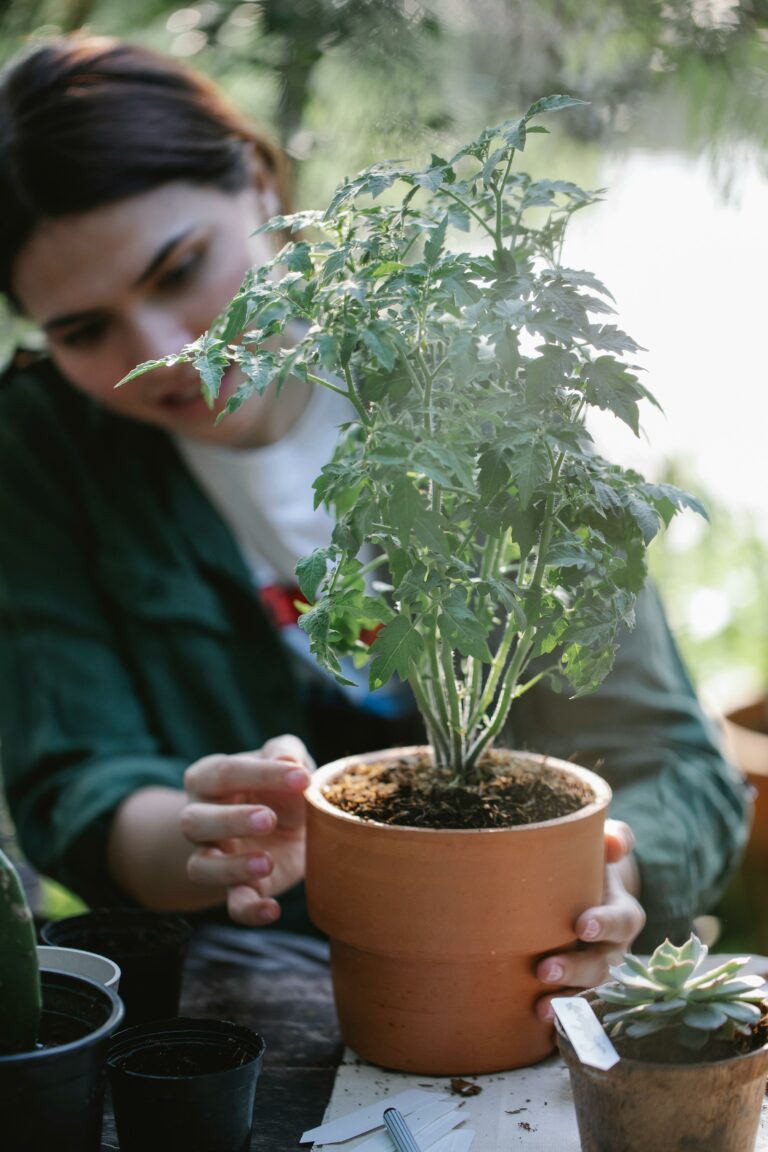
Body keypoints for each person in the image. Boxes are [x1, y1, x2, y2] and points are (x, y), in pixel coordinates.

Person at [0, 35, 750, 1020]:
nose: (167, 352)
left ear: (261, 184)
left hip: (518, 984)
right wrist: (215, 836)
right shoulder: (43, 447)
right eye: (84, 331)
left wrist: (612, 876)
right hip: (235, 1010)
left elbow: (676, 767)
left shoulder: (484, 389)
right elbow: (76, 779)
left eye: (180, 269)